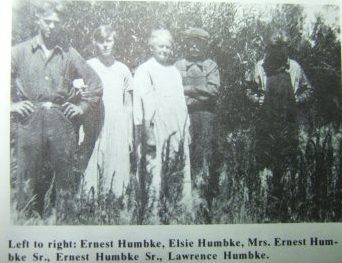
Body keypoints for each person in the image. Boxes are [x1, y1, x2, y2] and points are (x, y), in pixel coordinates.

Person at [10, 2, 103, 222]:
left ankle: (63, 221)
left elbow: (95, 84)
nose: (52, 26)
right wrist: (10, 106)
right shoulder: (19, 51)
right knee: (27, 177)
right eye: (47, 21)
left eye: (56, 22)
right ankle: (26, 221)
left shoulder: (69, 53)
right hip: (29, 118)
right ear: (37, 20)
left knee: (64, 177)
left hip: (61, 120)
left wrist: (81, 108)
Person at [246, 31, 313, 220]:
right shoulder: (260, 66)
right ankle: (265, 204)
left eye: (282, 48)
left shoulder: (295, 67)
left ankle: (288, 203)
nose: (278, 52)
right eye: (274, 48)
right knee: (265, 161)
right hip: (265, 122)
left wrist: (296, 101)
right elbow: (249, 89)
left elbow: (308, 90)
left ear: (286, 48)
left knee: (287, 160)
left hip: (288, 122)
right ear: (268, 49)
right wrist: (258, 101)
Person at [133, 29, 192, 221]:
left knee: (177, 166)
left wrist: (187, 127)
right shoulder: (144, 70)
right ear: (152, 47)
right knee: (155, 168)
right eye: (161, 46)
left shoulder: (174, 71)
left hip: (177, 128)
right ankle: (154, 213)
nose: (165, 50)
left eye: (168, 46)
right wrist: (147, 132)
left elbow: (181, 102)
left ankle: (176, 209)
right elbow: (140, 104)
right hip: (156, 129)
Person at [81, 25, 133, 197]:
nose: (105, 45)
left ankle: (114, 200)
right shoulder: (88, 65)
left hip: (117, 124)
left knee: (115, 162)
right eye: (101, 41)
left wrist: (129, 133)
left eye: (108, 41)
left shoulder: (123, 69)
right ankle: (90, 200)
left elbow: (128, 105)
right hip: (94, 122)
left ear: (114, 42)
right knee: (92, 161)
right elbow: (81, 96)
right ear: (95, 42)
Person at [175, 28, 221, 219]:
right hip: (183, 115)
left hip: (205, 117)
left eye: (198, 43)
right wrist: (197, 94)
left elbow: (213, 91)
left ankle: (204, 197)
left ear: (204, 45)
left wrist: (188, 89)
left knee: (204, 153)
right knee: (184, 152)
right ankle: (183, 198)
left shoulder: (210, 66)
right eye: (191, 42)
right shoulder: (178, 65)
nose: (194, 46)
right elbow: (173, 89)